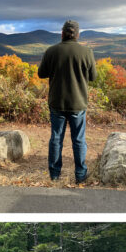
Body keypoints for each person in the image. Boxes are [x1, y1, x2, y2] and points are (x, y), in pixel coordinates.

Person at [38, 20, 97, 183]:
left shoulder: (51, 51)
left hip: (57, 102)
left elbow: (41, 74)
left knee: (56, 138)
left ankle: (55, 175)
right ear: (77, 35)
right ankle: (80, 175)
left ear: (62, 34)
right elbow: (93, 77)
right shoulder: (87, 52)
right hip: (78, 103)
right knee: (78, 139)